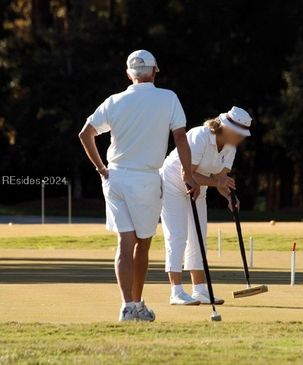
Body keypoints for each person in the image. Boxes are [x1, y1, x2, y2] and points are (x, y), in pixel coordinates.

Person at [78, 49, 199, 321]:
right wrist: (188, 174)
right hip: (145, 179)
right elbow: (180, 138)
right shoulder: (168, 98)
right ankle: (136, 304)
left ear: (128, 74)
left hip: (115, 177)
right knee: (141, 244)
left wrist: (101, 168)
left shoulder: (114, 100)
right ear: (154, 71)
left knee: (125, 241)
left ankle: (128, 306)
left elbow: (85, 134)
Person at [161, 106, 252, 305]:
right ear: (225, 128)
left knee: (198, 236)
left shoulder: (230, 148)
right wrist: (217, 183)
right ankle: (176, 291)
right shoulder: (199, 136)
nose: (241, 138)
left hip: (198, 186)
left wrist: (229, 196)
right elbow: (189, 173)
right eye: (239, 134)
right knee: (177, 235)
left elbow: (221, 178)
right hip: (173, 182)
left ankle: (200, 290)